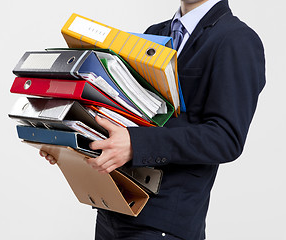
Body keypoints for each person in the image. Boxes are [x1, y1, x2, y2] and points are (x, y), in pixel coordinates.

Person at [40, 0, 266, 239]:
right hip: (115, 208)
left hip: (164, 222)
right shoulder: (154, 34)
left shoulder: (237, 39)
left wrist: (137, 144)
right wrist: (74, 139)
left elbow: (225, 138)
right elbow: (127, 111)